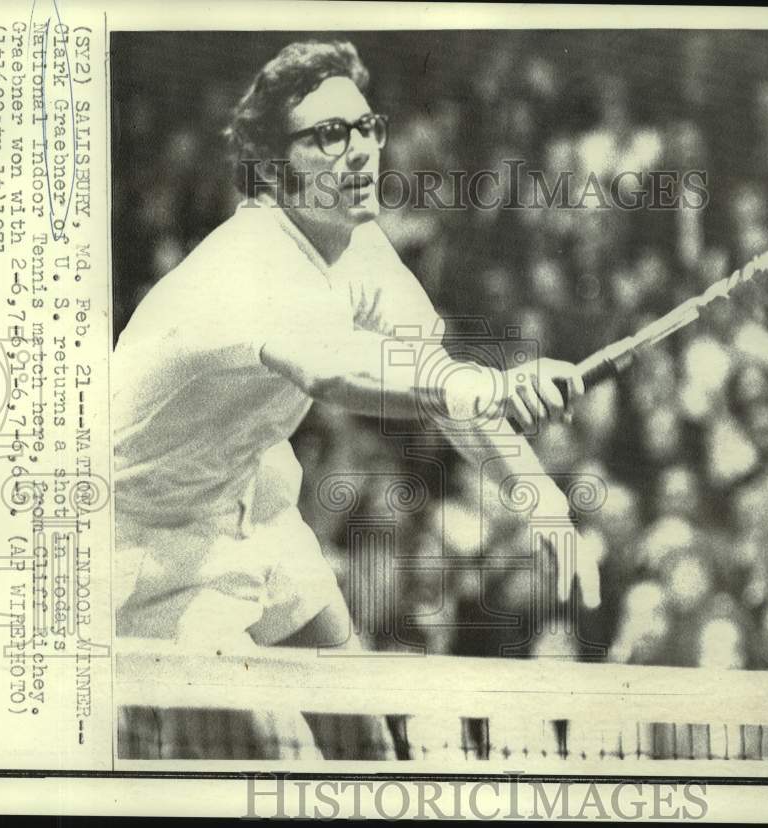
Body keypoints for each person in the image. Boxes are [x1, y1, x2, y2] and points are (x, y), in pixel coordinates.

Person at [113, 39, 596, 759]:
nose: (361, 150)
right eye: (329, 135)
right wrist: (493, 381)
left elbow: (430, 374)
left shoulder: (358, 243)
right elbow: (336, 370)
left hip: (255, 512)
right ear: (274, 170)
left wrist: (541, 500)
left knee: (368, 742)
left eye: (367, 127)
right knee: (274, 759)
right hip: (143, 552)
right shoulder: (246, 266)